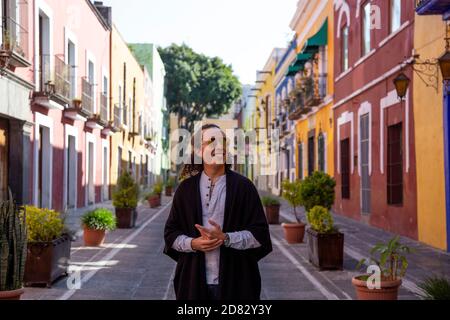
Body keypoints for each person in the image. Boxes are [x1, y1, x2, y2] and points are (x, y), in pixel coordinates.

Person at [164, 124, 272, 300]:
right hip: (192, 283)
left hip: (238, 283)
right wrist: (193, 243)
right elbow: (170, 234)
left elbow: (260, 235)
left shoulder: (244, 188)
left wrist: (227, 238)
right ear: (199, 151)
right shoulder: (185, 190)